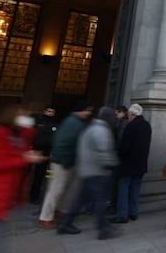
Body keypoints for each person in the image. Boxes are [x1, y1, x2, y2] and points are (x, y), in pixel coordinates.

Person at [0, 104, 46, 253]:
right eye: (23, 115)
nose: (26, 119)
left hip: (2, 195)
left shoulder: (17, 136)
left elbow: (29, 137)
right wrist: (24, 158)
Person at [57, 107, 119, 240]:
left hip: (86, 171)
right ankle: (104, 229)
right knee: (100, 201)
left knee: (80, 201)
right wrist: (113, 163)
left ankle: (65, 224)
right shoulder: (102, 130)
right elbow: (104, 152)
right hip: (97, 172)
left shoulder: (90, 128)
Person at [38, 101, 93, 229]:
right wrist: (66, 160)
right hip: (62, 162)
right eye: (87, 110)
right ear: (80, 110)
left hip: (66, 161)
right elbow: (62, 142)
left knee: (63, 189)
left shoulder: (75, 122)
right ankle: (45, 218)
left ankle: (58, 211)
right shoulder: (73, 123)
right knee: (55, 190)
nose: (89, 113)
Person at [113, 103, 152, 223]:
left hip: (128, 163)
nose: (128, 116)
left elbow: (124, 147)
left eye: (129, 114)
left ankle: (122, 215)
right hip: (141, 163)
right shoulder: (147, 126)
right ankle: (133, 212)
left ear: (131, 114)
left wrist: (118, 153)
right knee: (135, 188)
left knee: (124, 188)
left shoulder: (131, 126)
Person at [29, 106, 57, 205]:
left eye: (52, 111)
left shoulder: (54, 124)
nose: (50, 113)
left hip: (45, 152)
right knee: (28, 173)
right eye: (49, 111)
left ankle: (34, 197)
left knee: (39, 176)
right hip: (33, 150)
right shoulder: (38, 121)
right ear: (45, 111)